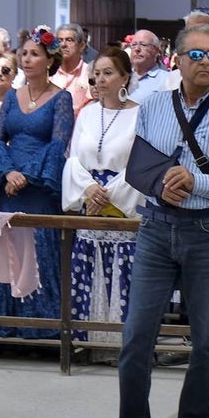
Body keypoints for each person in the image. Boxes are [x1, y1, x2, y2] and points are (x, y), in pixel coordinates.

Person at [104, 22, 209, 418]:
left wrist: (197, 182)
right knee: (136, 336)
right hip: (156, 226)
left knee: (205, 341)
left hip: (207, 232)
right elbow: (142, 168)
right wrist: (159, 186)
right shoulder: (152, 106)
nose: (204, 62)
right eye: (196, 55)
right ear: (177, 60)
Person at [0, 26, 74, 340]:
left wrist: (27, 175)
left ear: (49, 59)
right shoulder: (13, 97)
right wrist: (7, 174)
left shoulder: (62, 98)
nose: (27, 59)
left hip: (41, 187)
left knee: (39, 251)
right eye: (24, 53)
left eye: (34, 54)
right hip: (11, 186)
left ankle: (40, 329)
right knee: (7, 252)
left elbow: (58, 144)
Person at [62, 46, 143, 343]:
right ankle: (90, 339)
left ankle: (124, 342)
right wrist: (88, 189)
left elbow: (140, 163)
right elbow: (73, 158)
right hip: (90, 201)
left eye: (108, 73)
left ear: (125, 77)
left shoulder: (139, 114)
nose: (100, 80)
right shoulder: (87, 113)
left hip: (122, 201)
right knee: (89, 266)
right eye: (96, 74)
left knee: (124, 270)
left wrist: (110, 194)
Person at [51, 23, 92, 115]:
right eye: (59, 40)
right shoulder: (50, 73)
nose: (63, 45)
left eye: (69, 40)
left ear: (82, 46)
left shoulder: (90, 73)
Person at [126, 28, 166, 105]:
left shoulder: (166, 80)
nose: (137, 49)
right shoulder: (123, 75)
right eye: (134, 45)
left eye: (143, 45)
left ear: (156, 50)